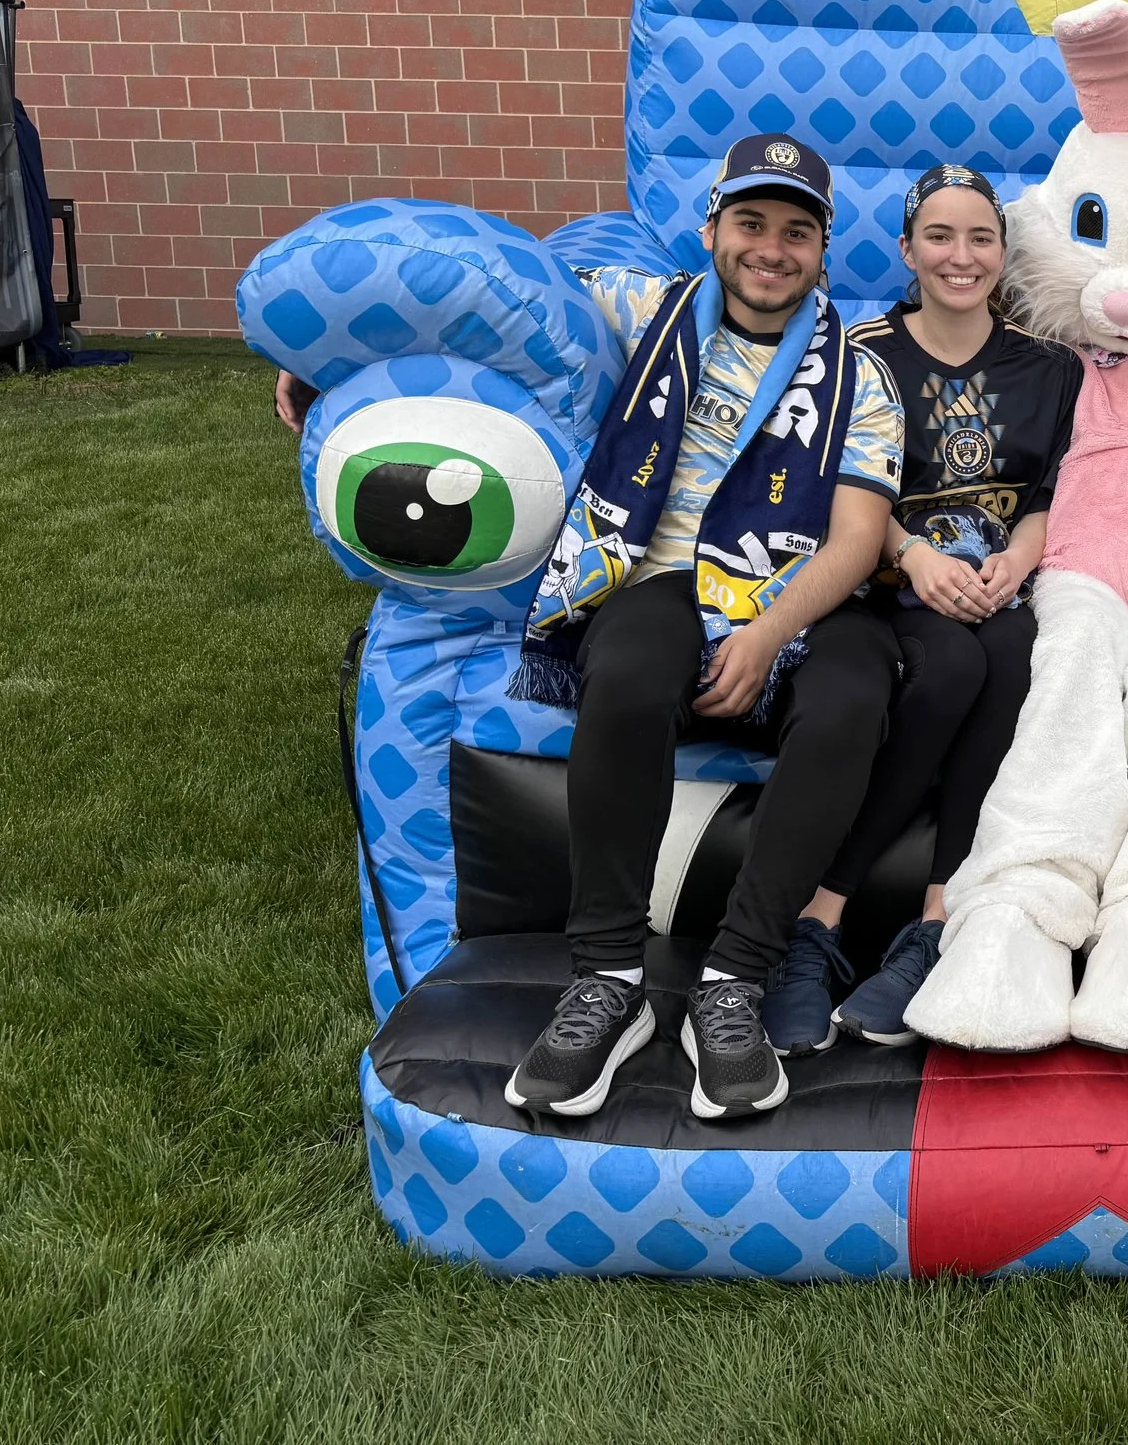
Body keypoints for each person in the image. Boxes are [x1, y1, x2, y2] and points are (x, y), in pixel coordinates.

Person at [278, 134, 908, 1122]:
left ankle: (735, 979)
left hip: (793, 590)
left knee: (857, 689)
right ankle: (609, 979)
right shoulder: (632, 308)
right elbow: (476, 316)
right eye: (750, 222)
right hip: (660, 572)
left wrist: (762, 633)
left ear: (822, 248)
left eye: (796, 232)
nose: (770, 248)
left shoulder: (861, 373)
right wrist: (336, 372)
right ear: (713, 227)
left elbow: (860, 539)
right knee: (627, 664)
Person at [759, 164, 1083, 1052]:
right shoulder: (860, 355)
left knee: (1015, 656)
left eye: (980, 237)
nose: (960, 255)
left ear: (1004, 253)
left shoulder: (1050, 366)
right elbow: (826, 485)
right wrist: (911, 553)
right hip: (890, 581)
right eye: (939, 235)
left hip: (1003, 583)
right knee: (949, 666)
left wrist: (1018, 559)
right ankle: (817, 922)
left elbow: (1053, 489)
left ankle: (933, 929)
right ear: (907, 249)